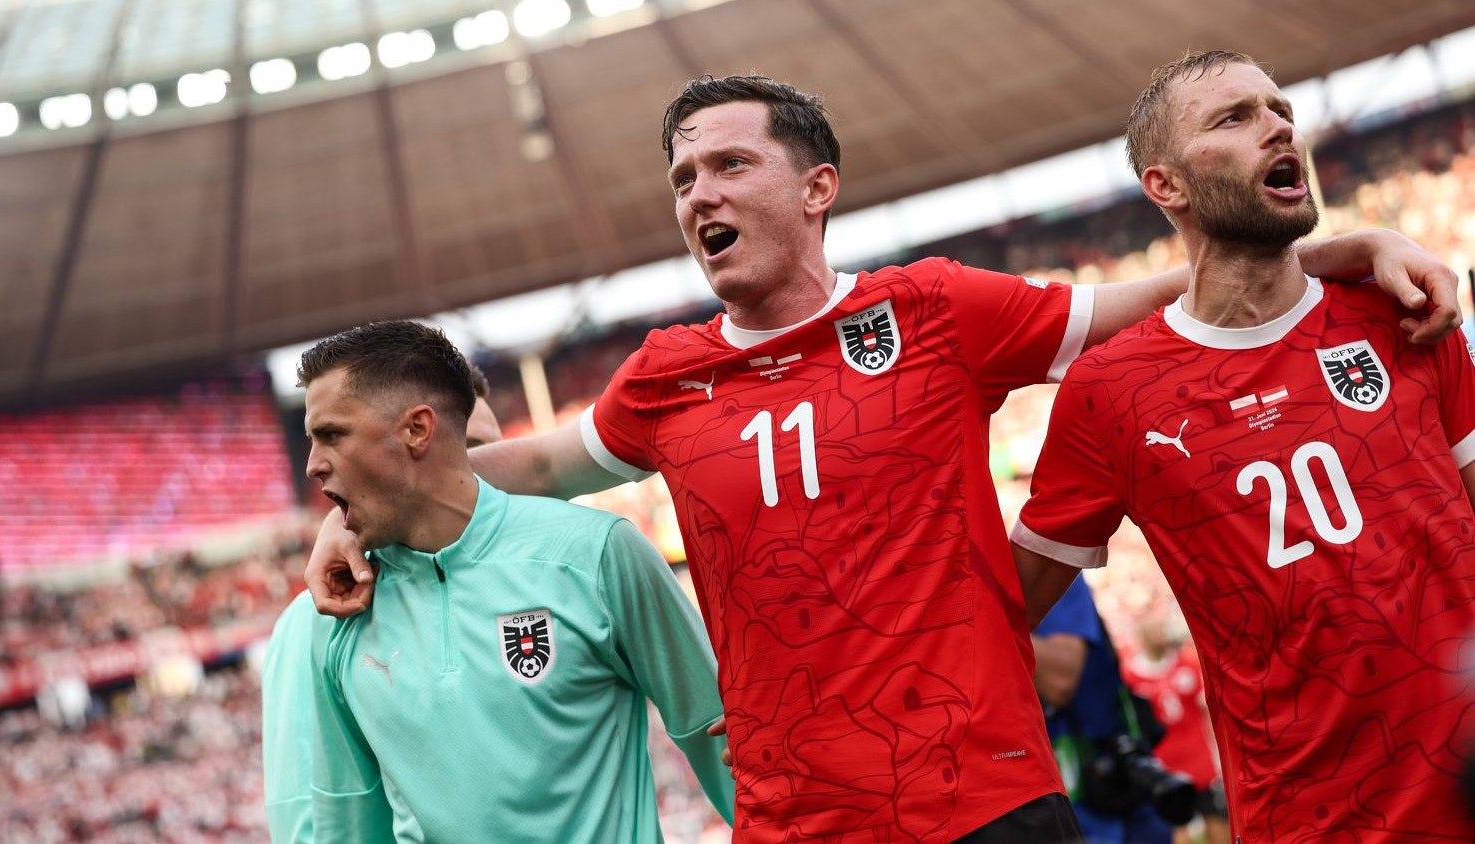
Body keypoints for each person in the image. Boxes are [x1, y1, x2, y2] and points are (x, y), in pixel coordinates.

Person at [308, 76, 1460, 842]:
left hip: (992, 804)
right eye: (682, 179)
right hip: (800, 825)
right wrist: (349, 508)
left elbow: (1143, 306)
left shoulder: (937, 311)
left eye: (725, 165)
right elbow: (530, 465)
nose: (696, 192)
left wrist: (1350, 245)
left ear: (816, 188)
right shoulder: (667, 372)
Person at [1012, 50, 1475, 842]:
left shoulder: (1401, 310)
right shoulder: (1110, 392)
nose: (1277, 126)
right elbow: (1004, 605)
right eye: (1234, 117)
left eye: (1278, 110)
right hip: (1313, 819)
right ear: (1167, 186)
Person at [293, 320, 733, 842]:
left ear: (416, 430)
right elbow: (350, 826)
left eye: (332, 435)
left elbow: (727, 753)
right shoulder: (338, 612)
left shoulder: (596, 555)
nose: (312, 466)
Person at [259, 364, 505, 842]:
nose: (482, 471)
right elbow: (306, 816)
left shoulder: (541, 577)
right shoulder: (314, 621)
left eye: (496, 451)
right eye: (472, 450)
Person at [1032, 577, 1176, 844]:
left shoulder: (1048, 568)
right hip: (1068, 799)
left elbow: (1060, 681)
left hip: (1104, 795)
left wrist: (986, 618)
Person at [1122, 618, 1229, 844]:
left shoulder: (1187, 665)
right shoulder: (1131, 676)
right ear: (1143, 637)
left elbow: (1206, 710)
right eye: (1156, 629)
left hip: (1200, 761)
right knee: (1177, 829)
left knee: (1218, 822)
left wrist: (1218, 751)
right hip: (1164, 765)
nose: (1162, 633)